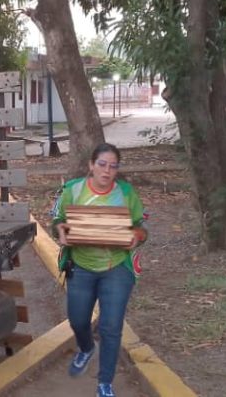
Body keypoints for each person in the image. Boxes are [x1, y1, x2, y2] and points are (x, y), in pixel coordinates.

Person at [51, 143, 148, 397]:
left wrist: (136, 236)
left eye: (113, 166)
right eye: (102, 164)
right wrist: (60, 229)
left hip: (116, 268)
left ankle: (105, 383)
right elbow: (57, 219)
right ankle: (86, 348)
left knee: (111, 327)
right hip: (81, 266)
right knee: (78, 320)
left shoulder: (125, 193)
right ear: (91, 165)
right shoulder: (73, 190)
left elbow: (141, 226)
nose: (107, 171)